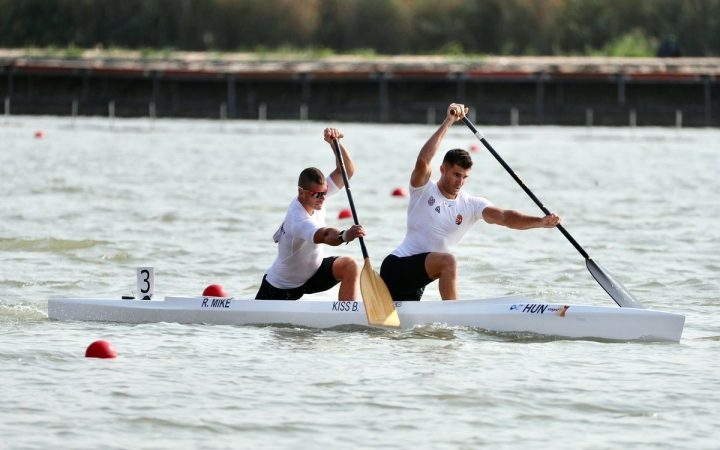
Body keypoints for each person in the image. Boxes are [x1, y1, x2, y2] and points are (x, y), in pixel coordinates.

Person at [380, 103, 562, 301]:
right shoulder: (423, 189)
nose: (460, 181)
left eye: (465, 176)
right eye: (456, 175)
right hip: (396, 267)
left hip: (419, 280)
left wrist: (540, 222)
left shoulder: (471, 205)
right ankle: (454, 317)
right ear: (443, 170)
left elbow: (506, 217)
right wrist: (449, 121)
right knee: (448, 262)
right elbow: (423, 160)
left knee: (407, 331)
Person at [255, 127, 366, 301]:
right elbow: (325, 234)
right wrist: (345, 235)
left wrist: (335, 144)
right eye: (316, 194)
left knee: (350, 265)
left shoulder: (316, 196)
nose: (322, 198)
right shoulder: (297, 219)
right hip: (280, 288)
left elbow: (346, 171)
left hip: (312, 276)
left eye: (324, 192)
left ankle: (347, 315)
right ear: (301, 192)